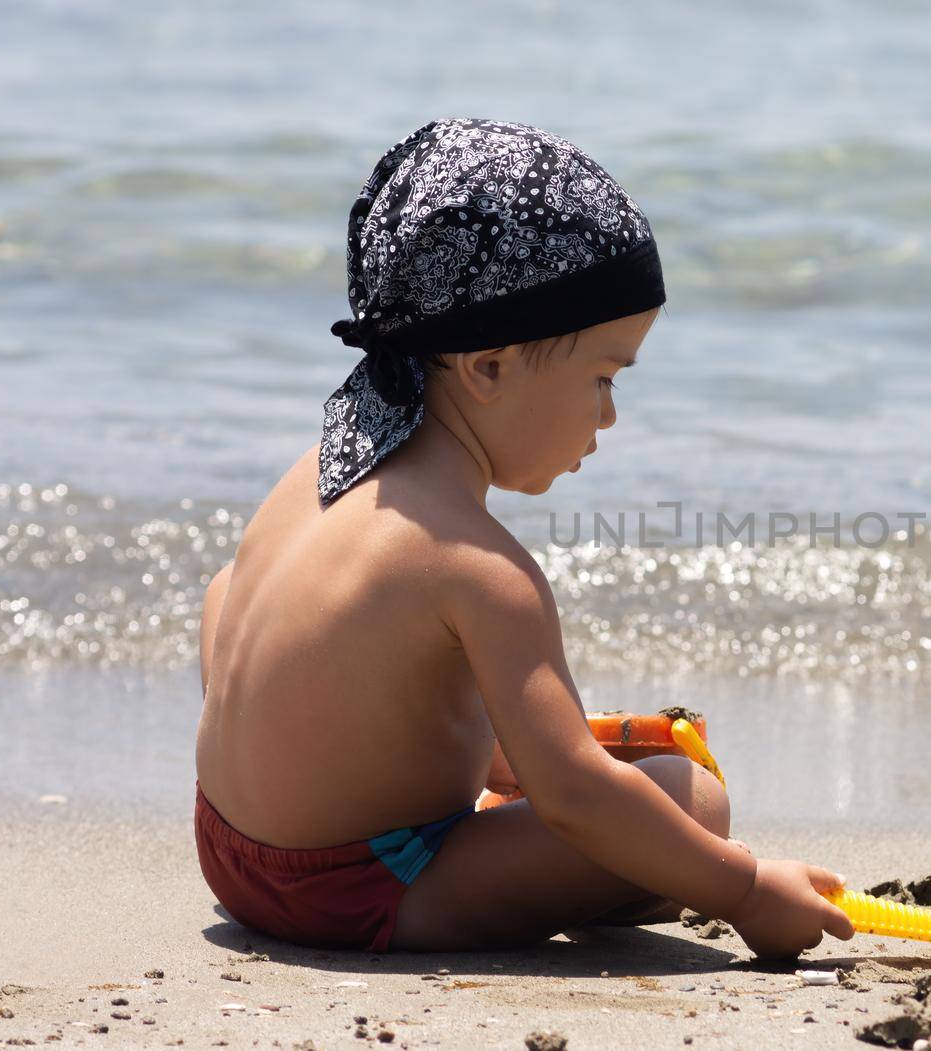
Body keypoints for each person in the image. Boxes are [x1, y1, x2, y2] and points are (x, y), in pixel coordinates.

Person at [193, 118, 854, 958]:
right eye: (604, 377)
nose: (610, 415)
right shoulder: (480, 567)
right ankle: (607, 861)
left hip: (227, 852)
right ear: (489, 365)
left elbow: (229, 605)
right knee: (691, 801)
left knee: (260, 599)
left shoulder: (318, 470)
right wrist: (747, 890)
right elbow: (575, 793)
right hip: (360, 893)